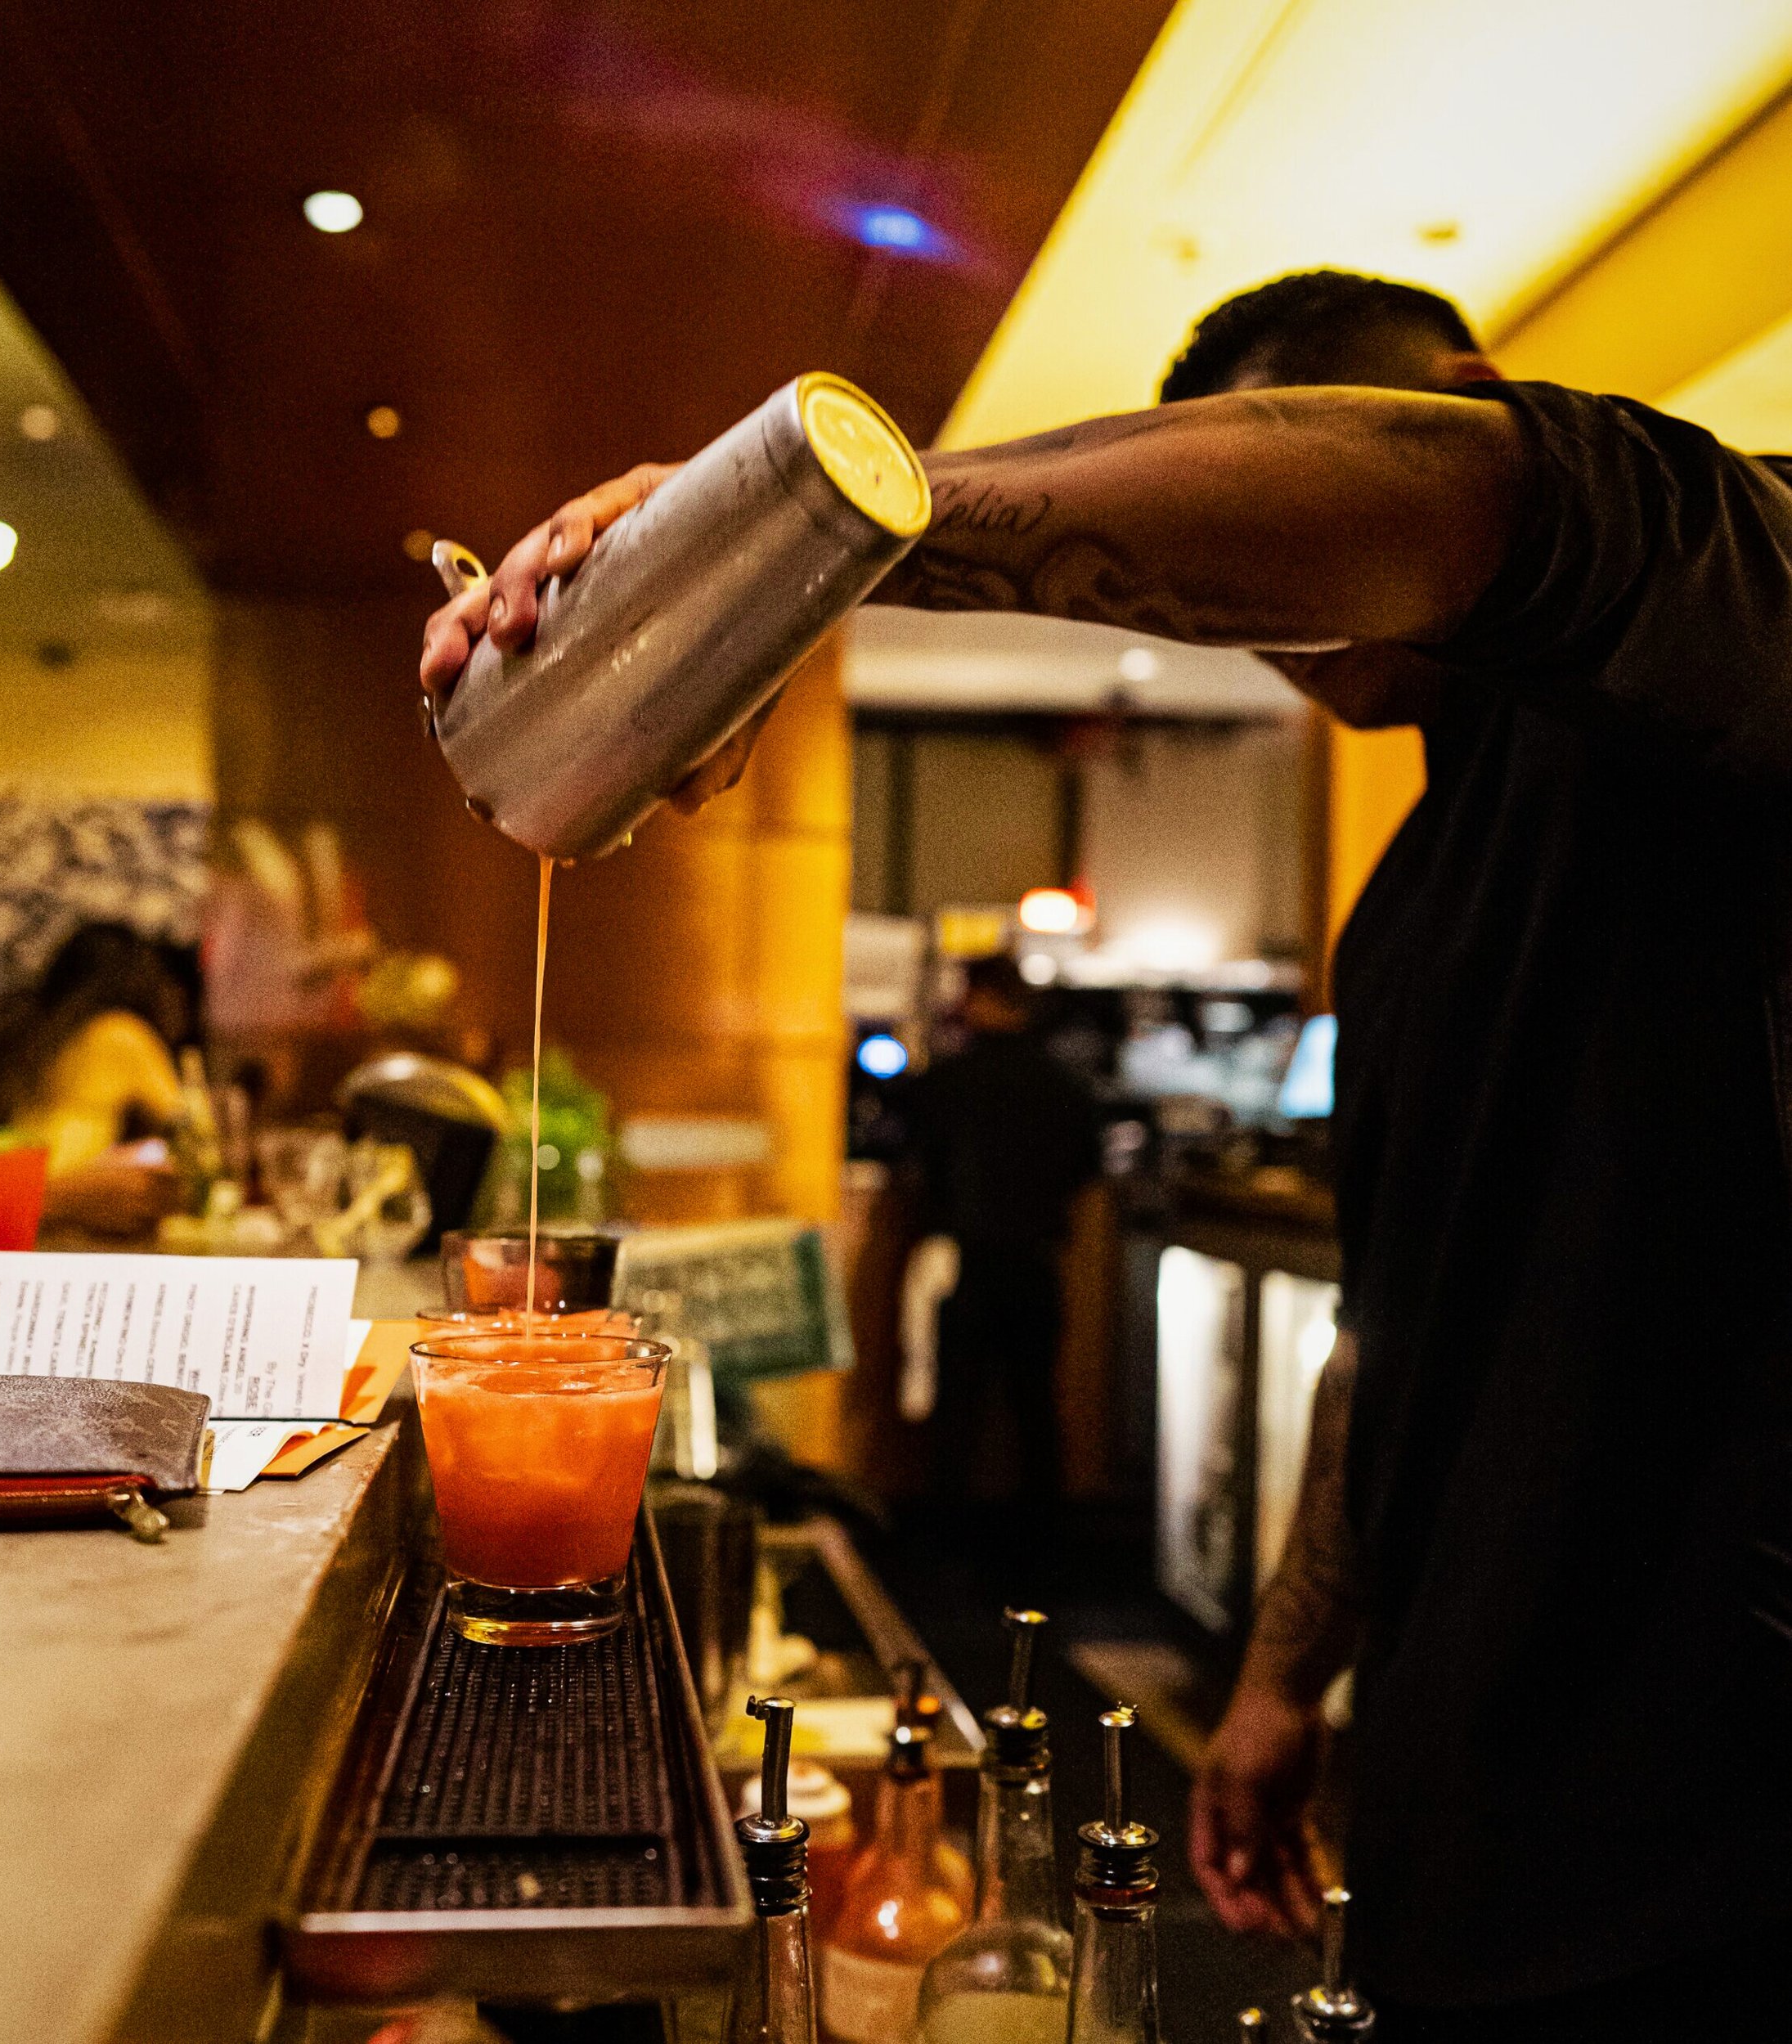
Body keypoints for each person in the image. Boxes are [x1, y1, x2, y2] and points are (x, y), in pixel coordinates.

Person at [420, 269, 1792, 2037]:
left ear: (1454, 399)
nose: (1264, 628)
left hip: (1724, 1843)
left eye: (1261, 521)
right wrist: (1281, 1675)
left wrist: (808, 528)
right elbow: (1391, 1322)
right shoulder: (1390, 917)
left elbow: (1453, 503)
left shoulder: (1729, 615)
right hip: (1468, 1811)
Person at [902, 953, 1099, 1516]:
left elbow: (919, 1163)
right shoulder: (1065, 1084)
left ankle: (947, 1548)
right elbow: (1086, 1168)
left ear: (984, 1000)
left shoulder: (947, 1081)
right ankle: (1043, 1544)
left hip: (962, 1260)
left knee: (957, 1407)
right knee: (1035, 1404)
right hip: (1036, 1260)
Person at [0, 921, 187, 1237]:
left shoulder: (35, 1029)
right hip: (80, 1183)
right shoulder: (123, 1031)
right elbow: (186, 1124)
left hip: (19, 1179)